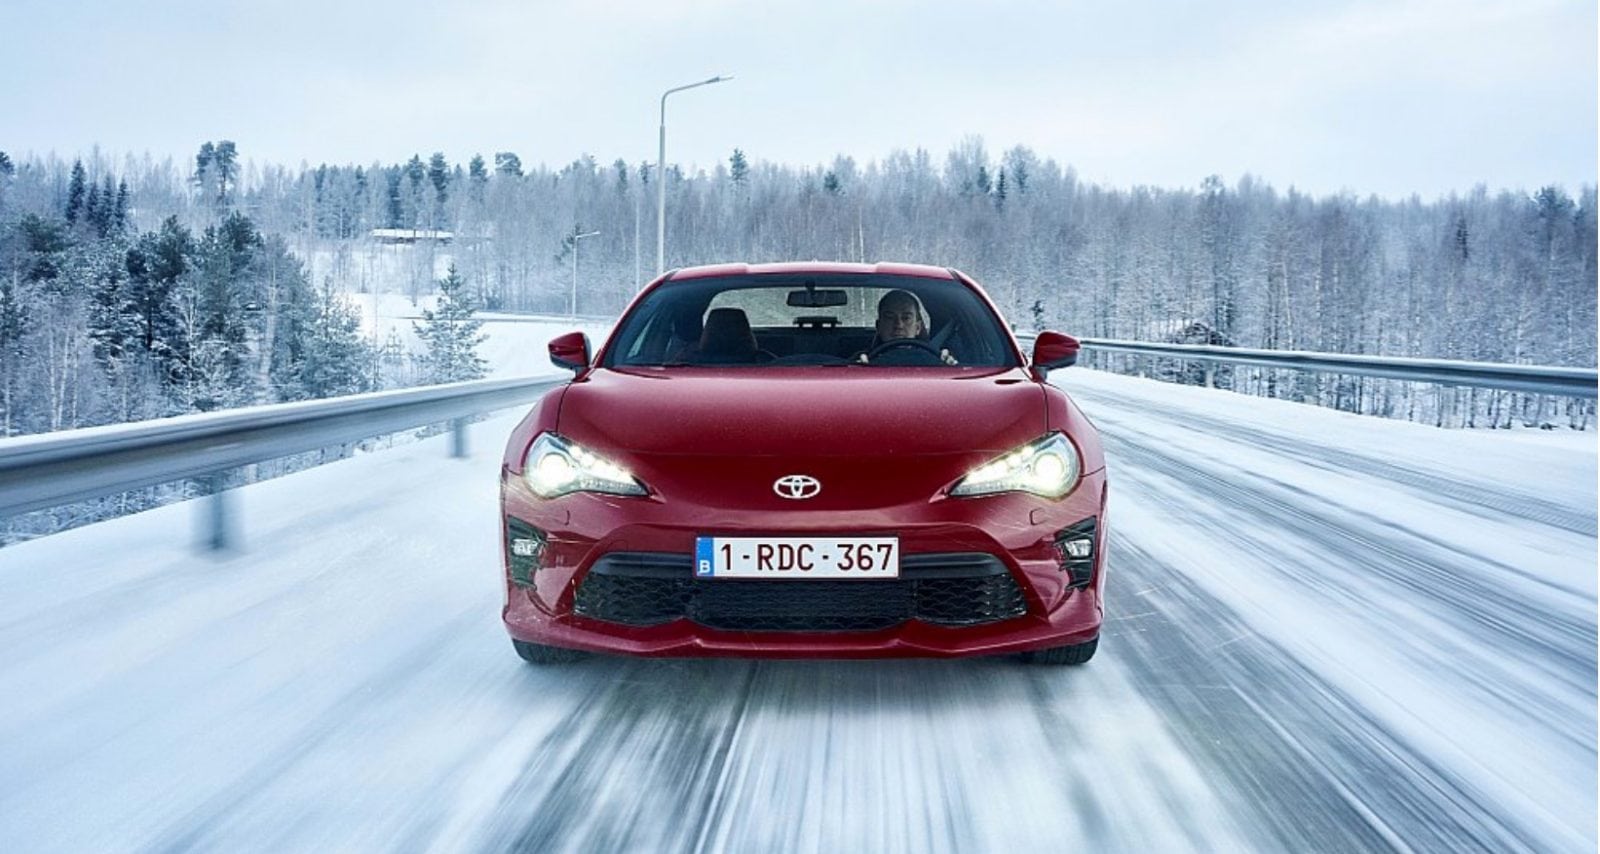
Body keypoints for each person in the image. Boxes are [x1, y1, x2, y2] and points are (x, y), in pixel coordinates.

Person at [857, 289, 958, 364]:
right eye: (890, 317)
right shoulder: (864, 359)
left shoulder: (937, 358)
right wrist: (858, 368)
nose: (899, 325)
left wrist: (948, 364)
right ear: (878, 326)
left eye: (906, 318)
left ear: (918, 328)